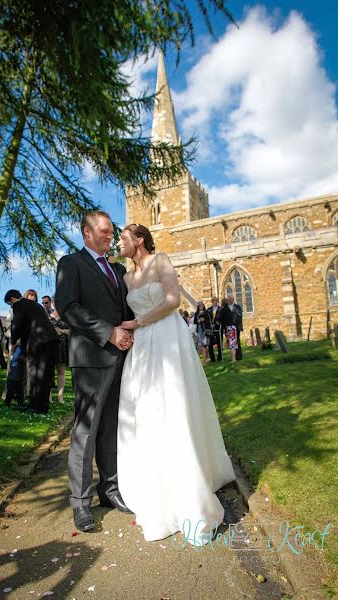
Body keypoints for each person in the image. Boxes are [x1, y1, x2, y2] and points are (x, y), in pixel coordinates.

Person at [117, 224, 235, 546]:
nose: (119, 243)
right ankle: (157, 482)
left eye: (123, 238)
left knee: (176, 404)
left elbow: (171, 300)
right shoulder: (126, 278)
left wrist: (137, 322)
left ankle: (192, 480)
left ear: (139, 241)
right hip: (142, 347)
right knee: (148, 410)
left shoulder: (161, 261)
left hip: (168, 338)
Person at [55, 210, 134, 533]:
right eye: (103, 231)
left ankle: (109, 489)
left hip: (121, 358)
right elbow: (69, 307)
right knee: (85, 431)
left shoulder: (117, 269)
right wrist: (108, 332)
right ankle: (80, 502)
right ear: (87, 233)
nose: (109, 236)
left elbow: (126, 310)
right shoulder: (71, 264)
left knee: (111, 428)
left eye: (111, 231)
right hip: (91, 358)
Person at [4, 289, 59, 414]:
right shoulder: (36, 305)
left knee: (36, 374)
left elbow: (17, 324)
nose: (12, 307)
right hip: (52, 341)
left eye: (10, 304)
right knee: (46, 375)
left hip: (39, 342)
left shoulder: (19, 305)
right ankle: (43, 405)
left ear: (12, 299)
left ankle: (35, 406)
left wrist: (13, 342)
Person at [49, 301, 69, 404]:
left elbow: (73, 330)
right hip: (51, 345)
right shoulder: (48, 315)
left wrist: (62, 331)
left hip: (63, 346)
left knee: (61, 372)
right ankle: (48, 396)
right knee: (50, 372)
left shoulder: (67, 315)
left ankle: (60, 396)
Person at [220, 298, 238, 363]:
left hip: (229, 327)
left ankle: (233, 359)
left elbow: (220, 318)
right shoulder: (229, 309)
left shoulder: (223, 310)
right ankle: (233, 358)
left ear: (222, 303)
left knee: (231, 344)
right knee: (234, 343)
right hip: (233, 327)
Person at [227, 293, 243, 360]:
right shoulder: (227, 307)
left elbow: (239, 316)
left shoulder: (237, 307)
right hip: (229, 327)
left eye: (231, 299)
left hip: (236, 326)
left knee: (237, 341)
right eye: (229, 299)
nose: (230, 300)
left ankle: (238, 356)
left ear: (233, 299)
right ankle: (233, 357)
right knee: (231, 342)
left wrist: (233, 322)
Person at [207, 296, 222, 362]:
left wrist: (217, 324)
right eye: (213, 300)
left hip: (218, 328)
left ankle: (220, 357)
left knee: (219, 343)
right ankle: (212, 358)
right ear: (212, 301)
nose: (215, 302)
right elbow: (207, 319)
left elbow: (222, 319)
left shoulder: (221, 309)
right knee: (210, 344)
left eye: (216, 300)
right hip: (211, 328)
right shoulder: (209, 309)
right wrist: (210, 325)